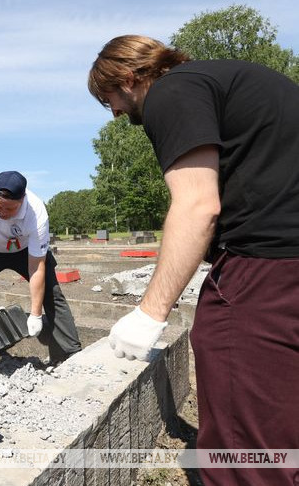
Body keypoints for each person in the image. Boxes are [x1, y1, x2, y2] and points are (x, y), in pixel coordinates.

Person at [89, 35, 299, 485]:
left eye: (109, 100)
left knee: (245, 448)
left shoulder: (172, 91)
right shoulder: (235, 80)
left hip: (266, 269)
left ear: (129, 78)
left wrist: (150, 313)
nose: (116, 114)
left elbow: (198, 205)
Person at [0, 171, 81, 364]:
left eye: (9, 209)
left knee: (52, 294)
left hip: (24, 250)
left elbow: (37, 267)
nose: (2, 212)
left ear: (22, 200)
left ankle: (69, 354)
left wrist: (35, 315)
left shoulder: (36, 214)